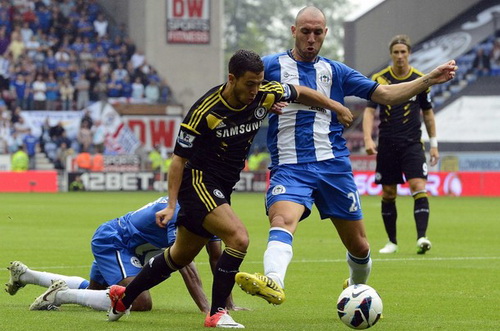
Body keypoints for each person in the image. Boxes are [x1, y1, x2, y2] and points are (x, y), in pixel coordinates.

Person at [105, 49, 356, 328]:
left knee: (180, 255)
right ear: (231, 79)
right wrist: (171, 205)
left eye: (259, 83)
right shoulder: (205, 111)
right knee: (239, 238)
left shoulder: (264, 94)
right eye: (250, 84)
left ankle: (123, 297)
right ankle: (217, 313)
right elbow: (178, 160)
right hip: (198, 181)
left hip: (224, 185)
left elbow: (300, 91)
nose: (256, 90)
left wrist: (337, 106)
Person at [234, 6, 457, 306]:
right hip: (290, 166)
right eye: (305, 31)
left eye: (317, 32)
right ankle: (274, 280)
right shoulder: (271, 66)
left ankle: (355, 288)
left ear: (325, 33)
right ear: (293, 31)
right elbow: (240, 93)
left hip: (334, 167)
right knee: (283, 220)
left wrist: (428, 79)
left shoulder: (337, 71)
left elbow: (387, 95)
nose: (311, 38)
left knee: (360, 246)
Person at [5, 196, 240, 314]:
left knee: (93, 294)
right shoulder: (181, 210)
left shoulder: (209, 210)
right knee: (138, 302)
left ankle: (26, 275)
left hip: (129, 246)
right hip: (115, 241)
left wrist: (226, 303)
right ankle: (58, 296)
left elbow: (217, 258)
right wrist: (207, 309)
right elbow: (183, 261)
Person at [362, 35, 438, 255]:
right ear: (391, 54)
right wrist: (368, 138)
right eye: (396, 52)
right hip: (387, 144)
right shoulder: (380, 79)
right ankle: (392, 242)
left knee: (418, 186)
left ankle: (422, 237)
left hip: (412, 143)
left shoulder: (421, 80)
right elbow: (369, 111)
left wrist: (433, 144)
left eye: (403, 52)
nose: (400, 56)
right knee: (388, 192)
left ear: (409, 53)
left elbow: (428, 114)